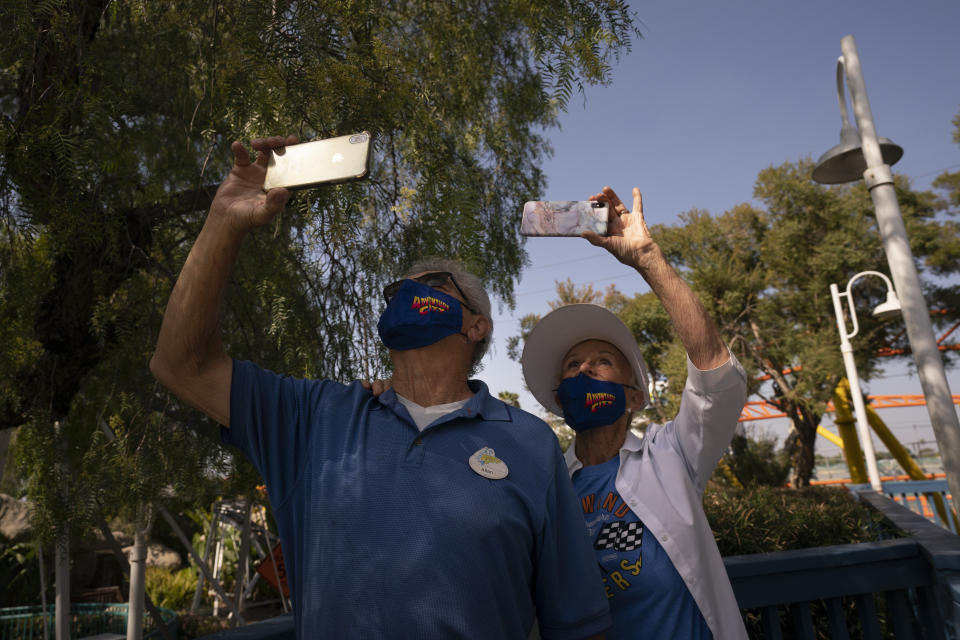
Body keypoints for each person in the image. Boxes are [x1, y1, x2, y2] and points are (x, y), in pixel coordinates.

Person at [149, 136, 611, 639]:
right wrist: (224, 220)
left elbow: (576, 623)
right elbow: (182, 365)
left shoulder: (530, 443)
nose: (408, 296)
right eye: (398, 292)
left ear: (477, 326)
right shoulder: (314, 417)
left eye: (431, 285)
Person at [520, 186, 749, 639]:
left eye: (602, 361)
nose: (584, 367)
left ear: (634, 397)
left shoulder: (671, 456)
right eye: (573, 365)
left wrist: (648, 259)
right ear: (561, 398)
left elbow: (716, 379)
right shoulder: (544, 488)